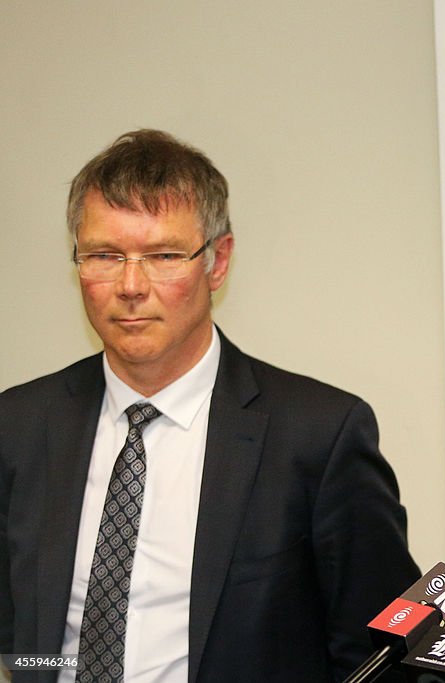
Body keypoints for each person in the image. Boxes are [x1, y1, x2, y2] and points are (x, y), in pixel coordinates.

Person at [0, 130, 420, 682]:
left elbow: (381, 656)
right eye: (104, 255)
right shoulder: (20, 425)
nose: (130, 285)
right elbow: (21, 639)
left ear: (217, 262)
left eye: (163, 256)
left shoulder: (318, 435)